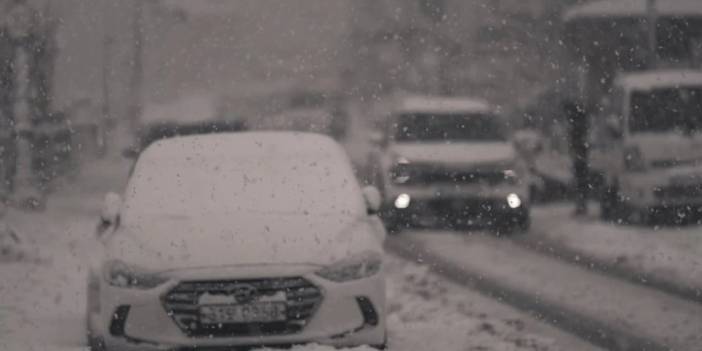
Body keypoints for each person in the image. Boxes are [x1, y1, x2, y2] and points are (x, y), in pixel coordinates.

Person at [565, 101, 589, 216]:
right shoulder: (580, 123)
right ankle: (581, 205)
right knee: (581, 182)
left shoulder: (577, 125)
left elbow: (577, 142)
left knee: (580, 182)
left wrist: (577, 153)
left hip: (580, 157)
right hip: (581, 157)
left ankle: (581, 205)